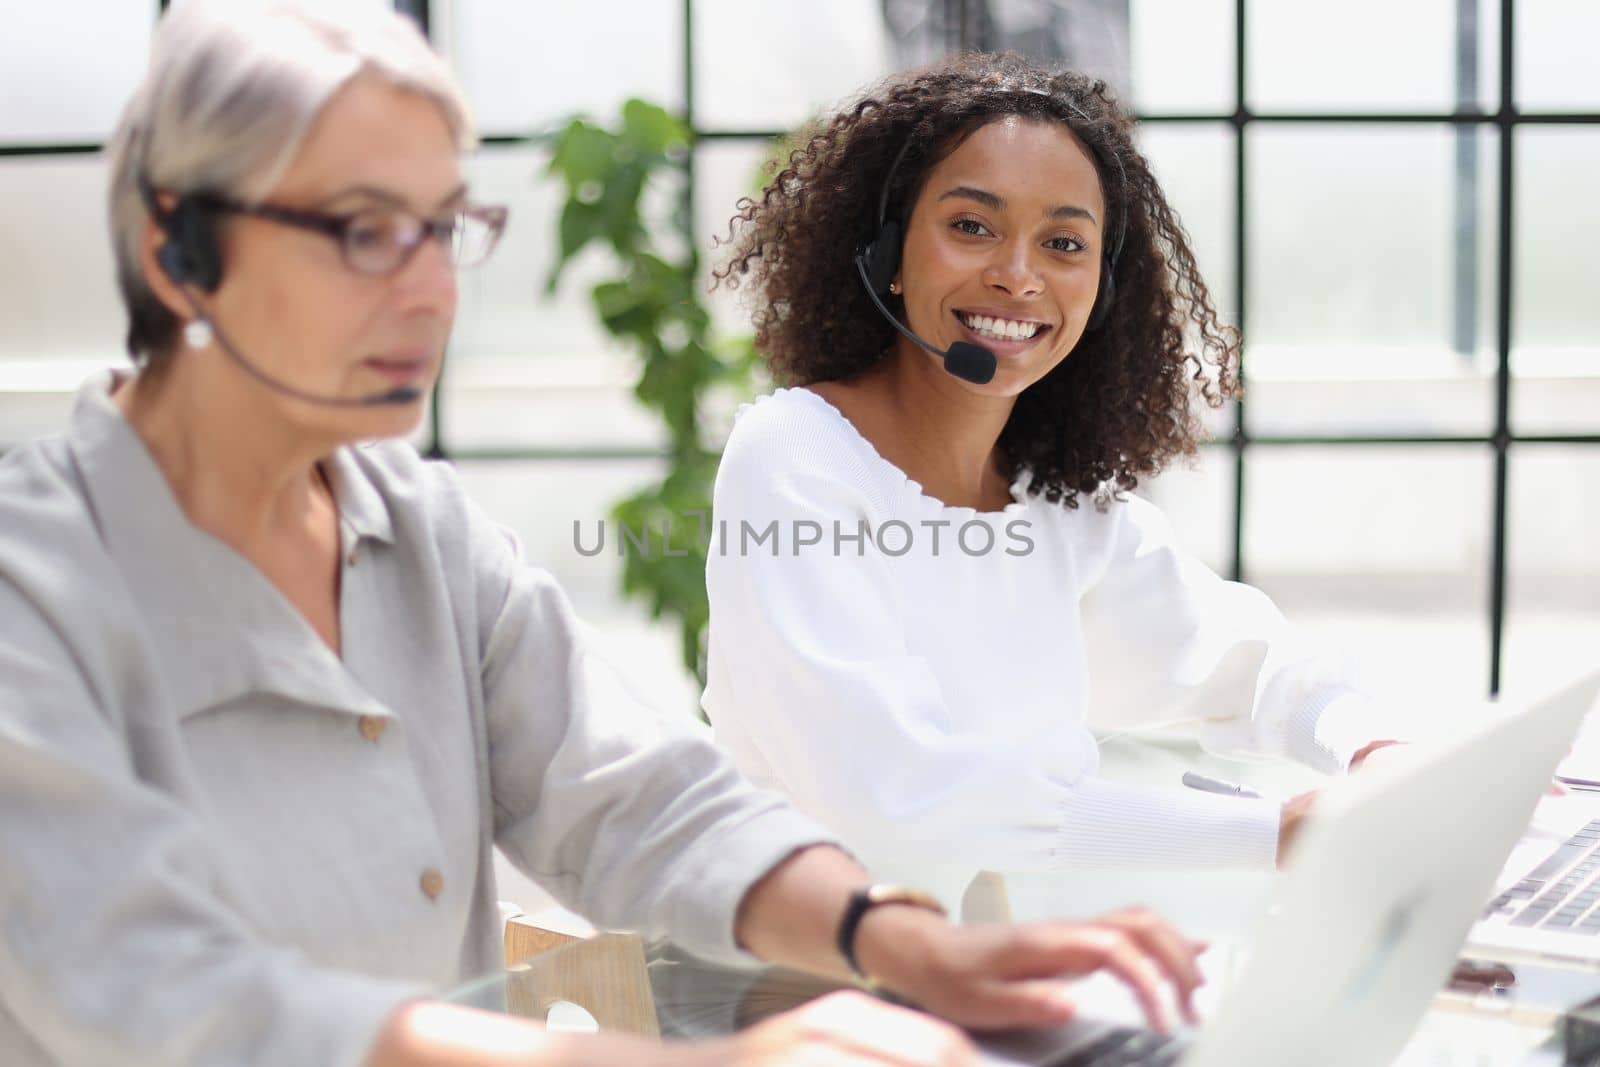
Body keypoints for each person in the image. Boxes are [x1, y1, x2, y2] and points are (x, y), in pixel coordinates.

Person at [0, 7, 1207, 1066]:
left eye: (443, 227)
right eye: (364, 230)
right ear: (178, 248)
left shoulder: (424, 532)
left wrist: (900, 940)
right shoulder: (33, 583)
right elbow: (160, 989)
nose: (428, 291)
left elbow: (637, 797)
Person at [702, 53, 1402, 916]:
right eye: (972, 226)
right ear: (886, 251)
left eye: (1064, 243)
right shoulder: (795, 458)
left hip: (1016, 972)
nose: (1019, 274)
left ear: (1102, 290)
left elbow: (1249, 663)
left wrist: (1372, 751)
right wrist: (1271, 833)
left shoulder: (1054, 502)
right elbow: (904, 800)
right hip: (815, 996)